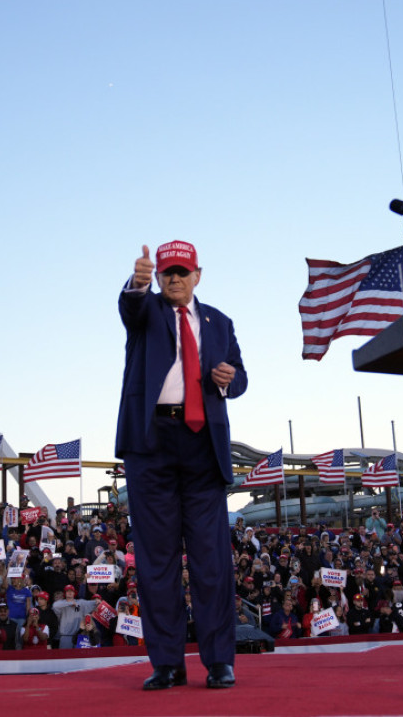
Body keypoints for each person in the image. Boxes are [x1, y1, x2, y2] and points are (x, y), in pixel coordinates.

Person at [116, 240, 246, 690]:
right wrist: (136, 284)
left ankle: (219, 662)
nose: (172, 278)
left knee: (212, 561)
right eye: (166, 272)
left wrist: (228, 379)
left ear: (197, 276)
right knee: (157, 560)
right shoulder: (147, 311)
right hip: (150, 443)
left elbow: (241, 376)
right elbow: (130, 309)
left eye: (180, 272)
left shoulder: (219, 323)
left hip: (201, 446)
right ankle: (167, 662)